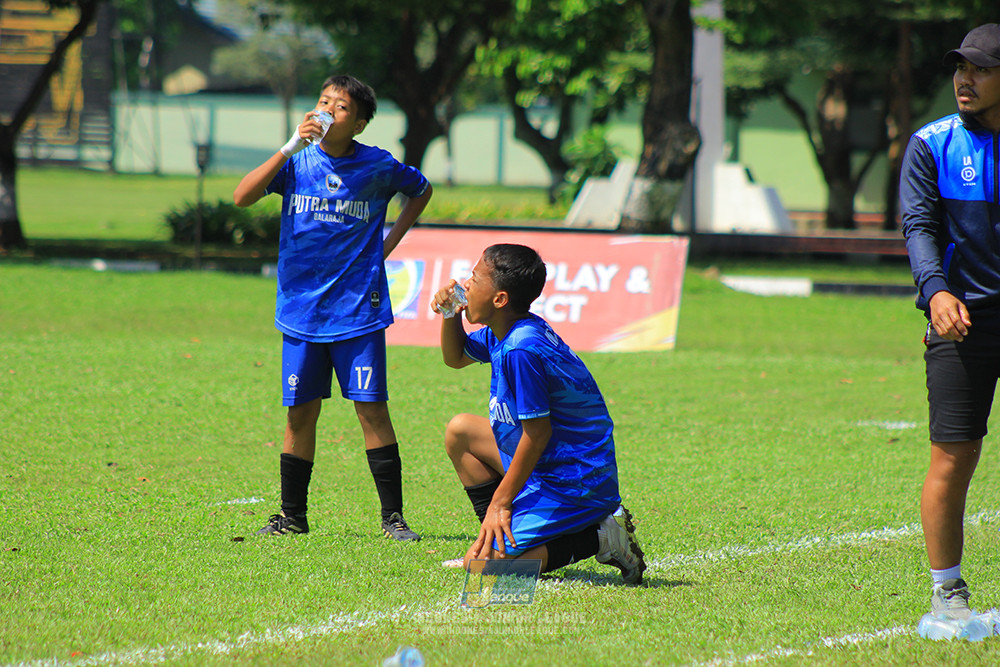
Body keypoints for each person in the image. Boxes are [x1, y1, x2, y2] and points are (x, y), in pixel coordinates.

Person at [233, 74, 432, 541]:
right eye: (323, 101)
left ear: (358, 124)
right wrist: (288, 147)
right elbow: (241, 197)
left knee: (371, 410)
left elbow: (421, 190)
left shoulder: (377, 165)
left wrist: (387, 244)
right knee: (299, 414)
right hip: (301, 312)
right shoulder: (296, 161)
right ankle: (292, 517)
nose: (326, 111)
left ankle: (393, 518)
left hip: (357, 310)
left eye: (340, 107)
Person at [431, 243, 646, 584]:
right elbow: (455, 358)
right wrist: (450, 313)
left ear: (500, 299)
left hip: (575, 481)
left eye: (475, 279)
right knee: (461, 431)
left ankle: (601, 537)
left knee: (483, 568)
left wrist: (499, 502)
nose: (465, 284)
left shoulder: (522, 349)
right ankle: (498, 537)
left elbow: (538, 434)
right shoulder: (507, 329)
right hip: (548, 465)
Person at [900, 23, 1000, 619]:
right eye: (961, 67)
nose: (965, 78)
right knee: (953, 456)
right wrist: (935, 290)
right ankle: (948, 593)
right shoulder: (931, 144)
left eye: (981, 69)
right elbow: (918, 227)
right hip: (961, 324)